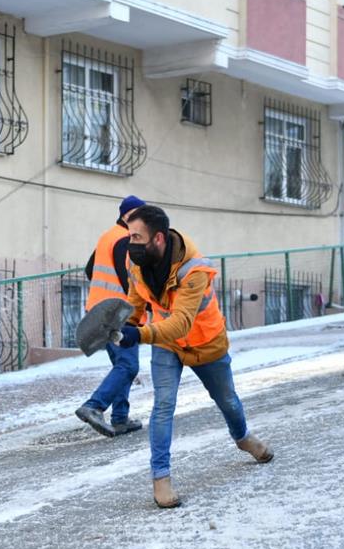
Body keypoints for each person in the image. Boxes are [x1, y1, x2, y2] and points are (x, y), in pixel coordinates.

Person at [117, 204, 273, 509]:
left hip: (205, 342)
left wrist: (142, 334)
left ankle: (242, 437)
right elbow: (137, 298)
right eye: (129, 234)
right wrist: (129, 324)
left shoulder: (195, 270)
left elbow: (182, 322)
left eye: (137, 236)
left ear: (158, 239)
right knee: (163, 406)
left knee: (227, 400)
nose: (130, 242)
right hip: (168, 344)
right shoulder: (136, 261)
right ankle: (160, 478)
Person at [74, 195, 146, 438]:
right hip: (119, 313)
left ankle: (120, 417)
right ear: (127, 216)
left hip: (102, 311)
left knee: (122, 365)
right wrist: (146, 305)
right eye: (138, 216)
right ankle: (94, 406)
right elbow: (130, 282)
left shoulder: (108, 236)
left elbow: (89, 270)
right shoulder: (125, 240)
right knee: (128, 365)